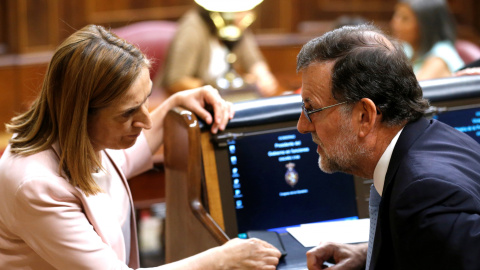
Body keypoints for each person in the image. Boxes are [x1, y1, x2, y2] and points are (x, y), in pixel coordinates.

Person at [0, 24, 281, 269]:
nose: (146, 122)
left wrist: (176, 102)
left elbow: (128, 154)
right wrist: (222, 260)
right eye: (128, 113)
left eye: (146, 99)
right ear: (79, 115)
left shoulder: (82, 137)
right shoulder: (36, 187)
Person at [296, 24, 480, 270]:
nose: (302, 126)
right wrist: (371, 252)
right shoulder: (441, 138)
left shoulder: (424, 197)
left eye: (311, 110)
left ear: (365, 116)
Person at [157, 0, 278, 97]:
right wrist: (220, 88)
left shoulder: (236, 27)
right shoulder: (192, 29)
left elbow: (253, 60)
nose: (244, 16)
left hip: (221, 100)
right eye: (239, 12)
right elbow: (176, 81)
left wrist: (263, 77)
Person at [390, 0, 464, 80]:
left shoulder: (440, 58)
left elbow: (414, 91)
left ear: (426, 25)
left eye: (405, 18)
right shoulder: (407, 49)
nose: (394, 23)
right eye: (396, 15)